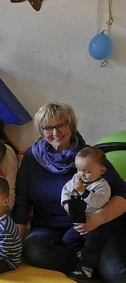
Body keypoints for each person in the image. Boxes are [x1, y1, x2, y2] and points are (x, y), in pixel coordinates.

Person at [12, 103, 126, 283]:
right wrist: (15, 241)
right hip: (50, 228)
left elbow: (122, 193)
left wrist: (97, 219)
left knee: (117, 275)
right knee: (34, 250)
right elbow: (22, 201)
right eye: (48, 128)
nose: (55, 133)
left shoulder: (90, 156)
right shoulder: (32, 157)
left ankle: (89, 265)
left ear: (71, 126)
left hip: (95, 227)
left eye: (61, 125)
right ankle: (87, 265)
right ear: (41, 131)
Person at [61, 147, 115, 281]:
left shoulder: (102, 186)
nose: (81, 174)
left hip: (98, 226)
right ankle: (81, 255)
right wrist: (66, 203)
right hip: (80, 222)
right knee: (67, 239)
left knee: (92, 245)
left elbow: (98, 202)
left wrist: (83, 192)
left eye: (87, 171)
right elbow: (65, 190)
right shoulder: (76, 179)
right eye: (79, 170)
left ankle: (86, 270)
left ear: (101, 170)